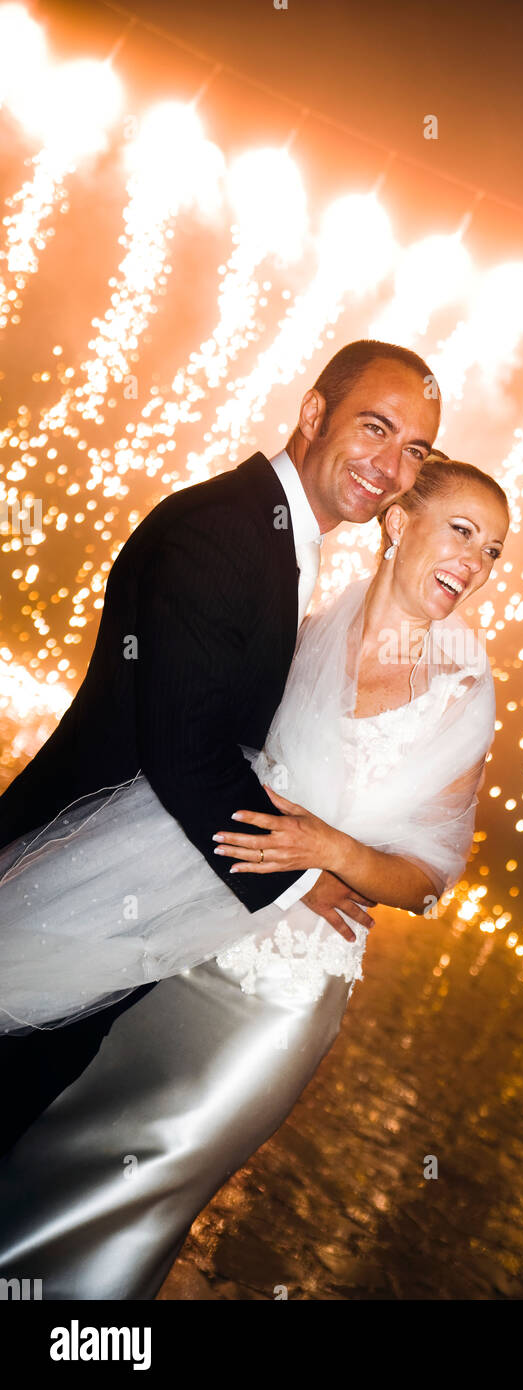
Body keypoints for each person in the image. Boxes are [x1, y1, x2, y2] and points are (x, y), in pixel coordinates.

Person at [0, 453, 510, 1300]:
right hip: (180, 931)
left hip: (279, 991)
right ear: (398, 523)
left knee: (147, 1180)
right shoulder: (307, 629)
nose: (476, 559)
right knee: (59, 1130)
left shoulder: (460, 694)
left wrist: (332, 853)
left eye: (494, 550)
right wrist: (283, 853)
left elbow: (426, 882)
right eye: (462, 530)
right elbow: (207, 749)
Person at [0, 338, 441, 1155]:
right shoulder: (221, 531)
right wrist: (297, 877)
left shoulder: (286, 544)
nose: (391, 465)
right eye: (375, 428)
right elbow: (185, 746)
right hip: (61, 877)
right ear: (314, 414)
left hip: (119, 895)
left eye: (414, 449)